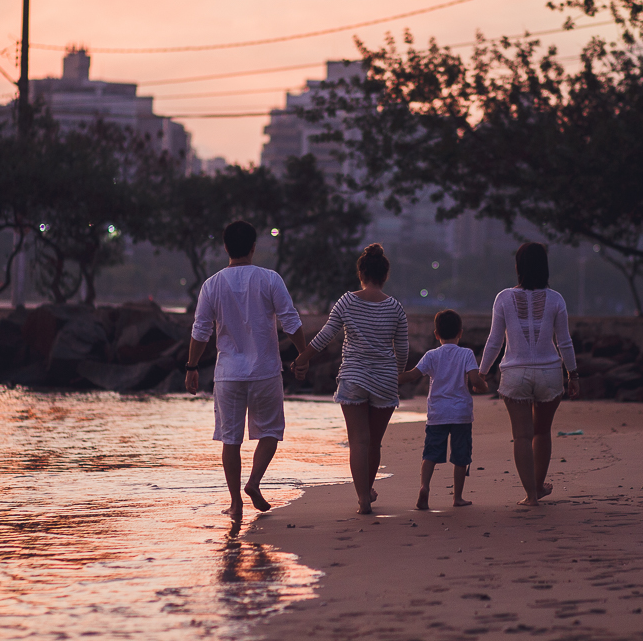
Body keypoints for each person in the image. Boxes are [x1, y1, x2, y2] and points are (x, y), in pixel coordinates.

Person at [185, 221, 308, 520]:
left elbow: (201, 331)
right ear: (254, 247)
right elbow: (290, 321)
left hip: (227, 374)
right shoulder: (270, 279)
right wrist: (304, 355)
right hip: (265, 370)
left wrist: (191, 367)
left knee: (231, 439)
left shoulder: (211, 284)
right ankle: (253, 482)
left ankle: (235, 503)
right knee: (270, 432)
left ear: (226, 247)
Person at [294, 244, 408, 515]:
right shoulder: (396, 308)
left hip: (354, 377)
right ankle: (368, 489)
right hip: (384, 379)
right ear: (385, 275)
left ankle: (363, 498)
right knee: (374, 443)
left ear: (361, 273)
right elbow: (401, 350)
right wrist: (398, 375)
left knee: (358, 441)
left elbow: (325, 335)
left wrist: (303, 357)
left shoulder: (346, 301)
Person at [479, 242, 580, 507]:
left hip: (515, 374)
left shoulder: (503, 298)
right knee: (542, 432)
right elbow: (565, 342)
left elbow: (494, 342)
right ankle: (538, 485)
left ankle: (531, 495)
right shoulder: (556, 299)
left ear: (518, 267)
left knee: (522, 435)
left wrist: (482, 372)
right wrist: (573, 374)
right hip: (549, 373)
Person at [398, 309, 488, 510]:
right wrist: (483, 385)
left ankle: (424, 487)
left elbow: (413, 375)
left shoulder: (431, 355)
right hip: (461, 414)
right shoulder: (466, 354)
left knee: (430, 453)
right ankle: (457, 497)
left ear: (436, 334)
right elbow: (474, 379)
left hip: (437, 414)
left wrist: (391, 378)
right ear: (461, 333)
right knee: (460, 456)